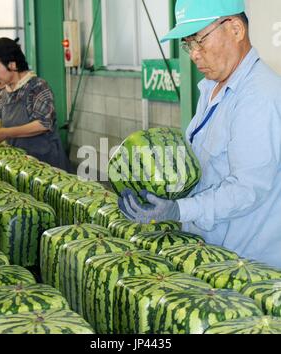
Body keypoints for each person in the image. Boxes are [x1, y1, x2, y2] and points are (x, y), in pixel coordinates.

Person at [118, 0, 281, 268]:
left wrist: (179, 209)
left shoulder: (259, 97)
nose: (193, 54)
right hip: (211, 253)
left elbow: (246, 190)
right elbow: (203, 170)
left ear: (236, 29)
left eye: (199, 40)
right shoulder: (211, 89)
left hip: (246, 267)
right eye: (188, 44)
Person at [0, 37, 71, 171]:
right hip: (21, 166)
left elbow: (43, 124)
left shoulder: (38, 87)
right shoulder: (4, 95)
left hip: (47, 166)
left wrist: (6, 132)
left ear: (12, 65)